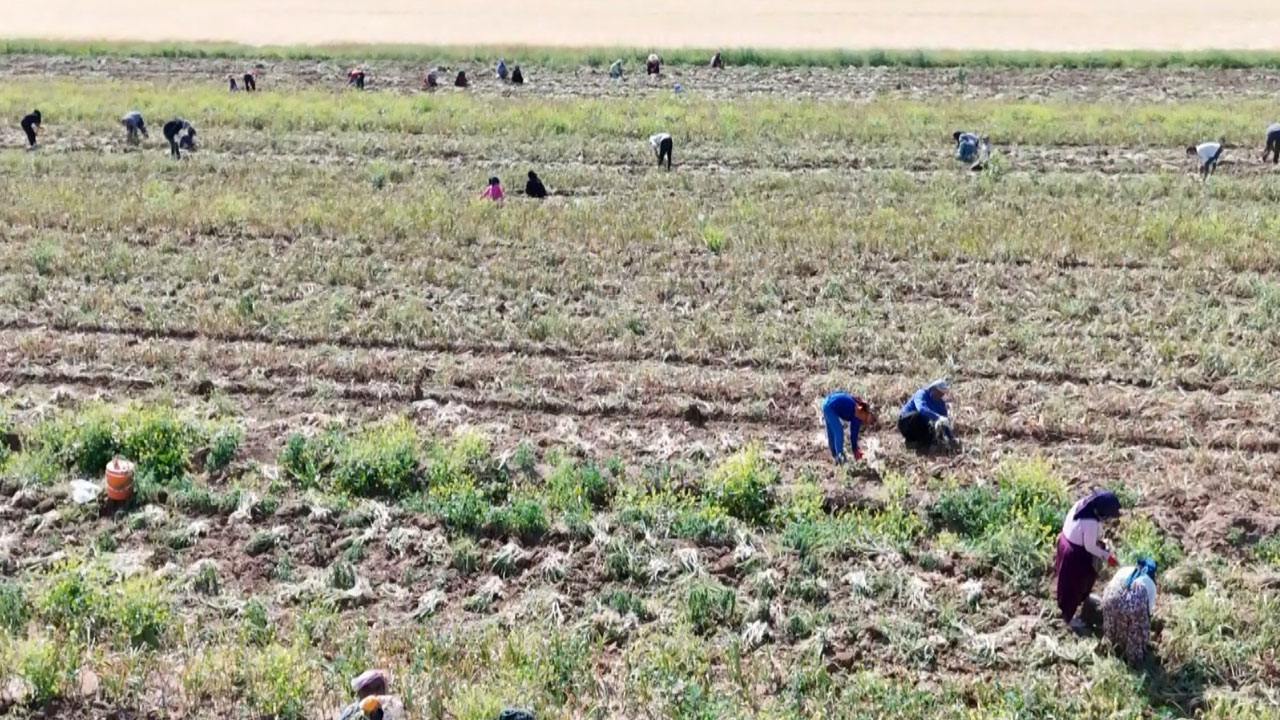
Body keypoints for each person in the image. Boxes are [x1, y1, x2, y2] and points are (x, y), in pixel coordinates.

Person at [1054, 489, 1121, 631]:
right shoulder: (1090, 521)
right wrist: (1107, 556)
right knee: (1074, 585)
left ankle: (1072, 603)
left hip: (1066, 543)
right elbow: (1090, 547)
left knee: (1067, 581)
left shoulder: (1084, 504)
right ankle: (1069, 618)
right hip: (1075, 554)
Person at [1102, 557, 1157, 665]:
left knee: (1112, 624)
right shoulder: (1150, 583)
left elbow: (1111, 584)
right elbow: (1147, 613)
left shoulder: (1125, 569)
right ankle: (1134, 662)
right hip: (1134, 604)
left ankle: (1110, 650)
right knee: (1136, 630)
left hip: (1111, 596)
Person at [897, 379, 954, 448]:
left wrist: (951, 438)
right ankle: (909, 441)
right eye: (938, 392)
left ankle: (917, 444)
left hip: (922, 423)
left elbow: (944, 421)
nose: (940, 395)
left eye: (942, 394)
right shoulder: (921, 394)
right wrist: (938, 417)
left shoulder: (940, 403)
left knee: (932, 434)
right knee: (917, 416)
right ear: (933, 389)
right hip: (906, 421)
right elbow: (921, 409)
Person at [821, 392, 874, 463]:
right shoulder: (857, 411)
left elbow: (853, 435)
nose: (865, 422)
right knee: (838, 431)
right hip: (830, 406)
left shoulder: (858, 413)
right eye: (866, 418)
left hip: (826, 403)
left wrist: (855, 450)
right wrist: (855, 451)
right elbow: (853, 435)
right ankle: (840, 457)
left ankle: (835, 456)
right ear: (863, 411)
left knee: (832, 432)